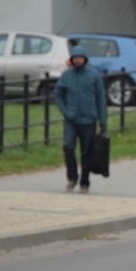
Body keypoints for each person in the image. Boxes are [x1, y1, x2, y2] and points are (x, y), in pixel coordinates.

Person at [55, 45, 107, 193]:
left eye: (80, 58)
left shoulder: (93, 75)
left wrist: (102, 121)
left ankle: (85, 181)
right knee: (68, 146)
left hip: (89, 119)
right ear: (72, 60)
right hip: (71, 119)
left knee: (87, 151)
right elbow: (58, 94)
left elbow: (100, 99)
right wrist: (65, 111)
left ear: (84, 59)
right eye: (75, 58)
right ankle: (72, 177)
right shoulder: (66, 76)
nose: (78, 60)